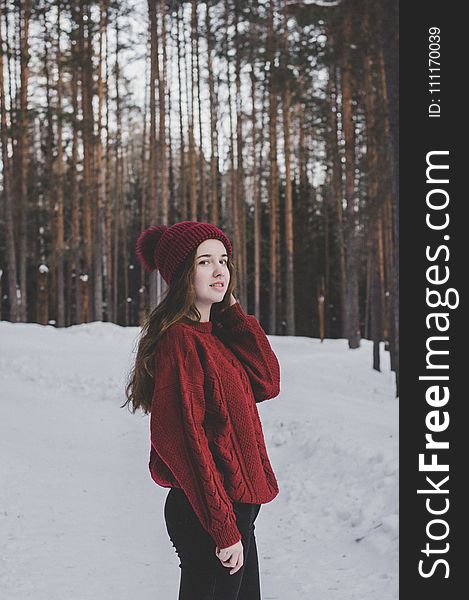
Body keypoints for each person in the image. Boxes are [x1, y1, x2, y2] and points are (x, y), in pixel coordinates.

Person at [124, 221, 281, 600]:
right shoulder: (180, 341)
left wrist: (232, 314)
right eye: (204, 262)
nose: (219, 271)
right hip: (208, 515)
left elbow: (267, 381)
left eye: (223, 260)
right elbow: (183, 441)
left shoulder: (217, 337)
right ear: (181, 275)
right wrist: (224, 528)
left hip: (234, 512)